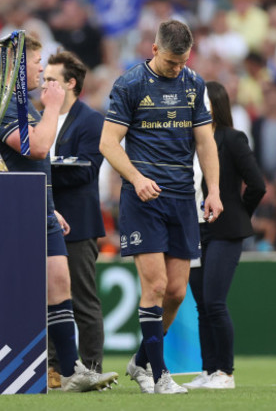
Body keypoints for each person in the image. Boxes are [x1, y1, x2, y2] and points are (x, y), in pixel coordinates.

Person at [99, 20, 223, 394]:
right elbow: (108, 143)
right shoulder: (130, 85)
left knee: (176, 292)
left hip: (183, 196)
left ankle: (141, 361)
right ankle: (159, 374)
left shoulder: (194, 83)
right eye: (171, 62)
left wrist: (213, 190)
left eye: (182, 61)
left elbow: (205, 142)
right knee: (154, 285)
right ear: (154, 50)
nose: (177, 68)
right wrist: (136, 179)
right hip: (143, 199)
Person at [0, 35, 118, 392]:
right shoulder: (4, 105)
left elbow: (39, 164)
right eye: (36, 65)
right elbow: (39, 148)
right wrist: (52, 106)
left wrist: (49, 206)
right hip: (16, 212)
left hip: (42, 209)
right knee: (29, 291)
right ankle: (17, 367)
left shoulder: (29, 107)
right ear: (19, 67)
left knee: (62, 284)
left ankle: (71, 370)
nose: (41, 74)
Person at [183, 81, 266, 390]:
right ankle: (208, 370)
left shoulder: (231, 138)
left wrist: (238, 214)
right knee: (202, 304)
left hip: (225, 230)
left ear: (212, 104)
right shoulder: (189, 140)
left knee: (215, 302)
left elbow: (257, 184)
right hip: (194, 228)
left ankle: (226, 373)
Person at [47, 51, 107, 377]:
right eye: (43, 80)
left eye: (51, 80)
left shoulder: (91, 120)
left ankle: (93, 367)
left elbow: (87, 170)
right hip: (43, 219)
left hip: (78, 223)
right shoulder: (38, 119)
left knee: (82, 298)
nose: (44, 86)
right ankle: (56, 367)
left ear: (71, 83)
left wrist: (43, 172)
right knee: (49, 298)